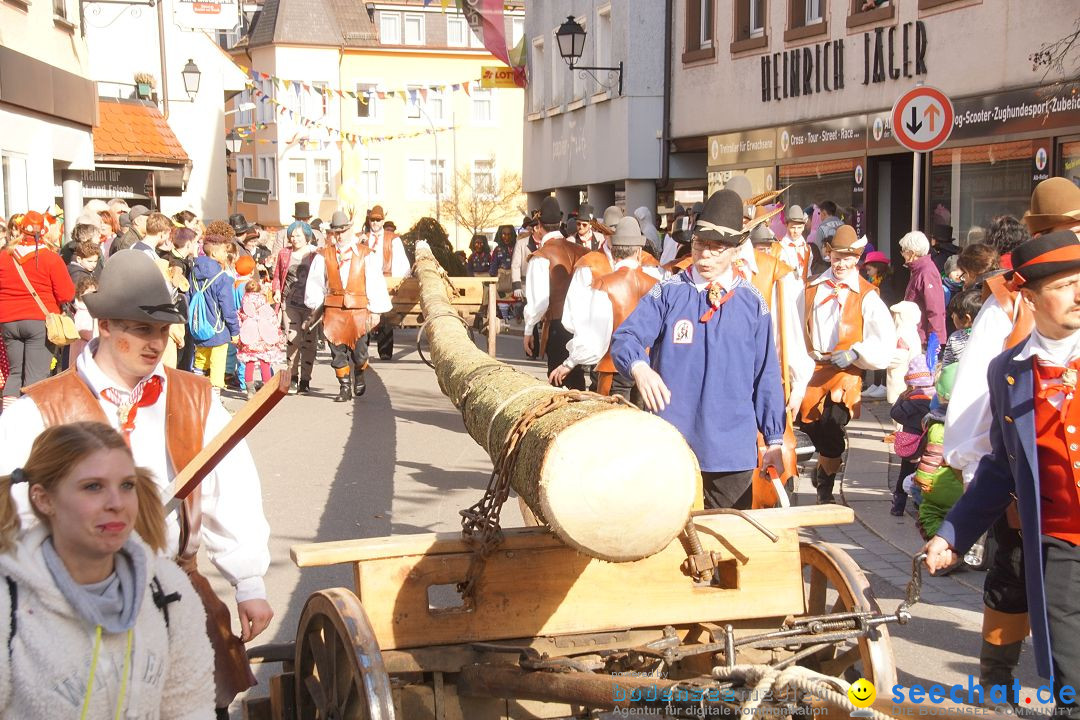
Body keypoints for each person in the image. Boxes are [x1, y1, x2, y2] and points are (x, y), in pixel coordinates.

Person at [0, 250, 272, 717]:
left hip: (178, 598)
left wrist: (248, 580)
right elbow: (13, 520)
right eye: (141, 330)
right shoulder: (38, 411)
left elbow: (233, 488)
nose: (155, 345)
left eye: (163, 332)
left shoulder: (192, 398)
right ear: (104, 325)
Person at [925, 231, 1080, 717]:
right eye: (1064, 285)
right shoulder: (1009, 369)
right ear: (1030, 298)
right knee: (1070, 677)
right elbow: (1000, 464)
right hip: (1059, 542)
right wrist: (952, 532)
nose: (1079, 294)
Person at [0, 421, 214, 718]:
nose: (116, 503)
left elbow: (191, 706)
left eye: (126, 485)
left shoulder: (168, 589)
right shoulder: (8, 600)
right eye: (93, 487)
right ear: (44, 498)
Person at [611, 189, 786, 509]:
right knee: (668, 545)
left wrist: (774, 440)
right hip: (672, 445)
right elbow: (626, 338)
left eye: (716, 248)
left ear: (735, 251)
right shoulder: (668, 292)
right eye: (699, 245)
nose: (705, 255)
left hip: (731, 453)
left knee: (729, 545)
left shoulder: (753, 304)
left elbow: (767, 378)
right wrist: (640, 368)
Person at [798, 225, 896, 504]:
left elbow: (885, 341)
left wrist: (855, 353)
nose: (840, 263)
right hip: (812, 368)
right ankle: (822, 467)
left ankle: (825, 488)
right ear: (829, 255)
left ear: (857, 259)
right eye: (836, 257)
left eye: (846, 258)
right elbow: (793, 328)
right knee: (805, 424)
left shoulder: (868, 296)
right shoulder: (811, 289)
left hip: (845, 372)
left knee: (832, 425)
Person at [554, 217, 662, 399]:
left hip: (613, 371)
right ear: (639, 252)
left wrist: (569, 362)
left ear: (613, 250)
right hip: (647, 372)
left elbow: (594, 340)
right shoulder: (658, 284)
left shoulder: (602, 285)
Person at [305, 211, 393, 401]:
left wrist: (376, 310)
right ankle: (344, 387)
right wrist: (316, 306)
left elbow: (375, 282)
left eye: (343, 231)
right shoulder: (324, 255)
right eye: (336, 232)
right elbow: (315, 282)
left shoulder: (365, 254)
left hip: (359, 310)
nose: (339, 236)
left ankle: (359, 373)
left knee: (360, 353)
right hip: (334, 310)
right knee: (337, 352)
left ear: (350, 230)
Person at [0, 212, 76, 407]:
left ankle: (9, 418)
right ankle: (30, 423)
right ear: (43, 231)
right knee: (36, 375)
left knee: (15, 373)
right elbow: (67, 294)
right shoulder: (51, 258)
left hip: (7, 321)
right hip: (40, 321)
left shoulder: (4, 256)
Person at [523, 196, 589, 389]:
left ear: (539, 226)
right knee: (577, 378)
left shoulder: (541, 256)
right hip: (581, 323)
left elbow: (539, 301)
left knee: (558, 379)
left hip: (558, 324)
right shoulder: (581, 251)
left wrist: (529, 330)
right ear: (560, 223)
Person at [273, 218, 320, 394]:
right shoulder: (284, 254)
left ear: (307, 236)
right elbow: (277, 275)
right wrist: (277, 291)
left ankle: (305, 380)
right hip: (290, 303)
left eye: (298, 236)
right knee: (293, 339)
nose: (294, 239)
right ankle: (292, 376)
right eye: (292, 236)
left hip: (311, 306)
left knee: (309, 342)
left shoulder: (316, 254)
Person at [189, 235, 240, 393]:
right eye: (224, 251)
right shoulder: (222, 278)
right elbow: (228, 308)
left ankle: (198, 394)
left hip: (198, 327)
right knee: (217, 366)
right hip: (219, 330)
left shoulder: (193, 274)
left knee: (200, 362)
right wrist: (235, 331)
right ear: (214, 254)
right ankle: (215, 400)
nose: (226, 255)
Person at [361, 205, 408, 361]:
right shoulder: (362, 238)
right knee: (365, 315)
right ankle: (362, 351)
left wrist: (397, 282)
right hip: (366, 280)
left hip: (386, 279)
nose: (375, 223)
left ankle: (385, 351)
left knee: (386, 317)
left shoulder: (392, 239)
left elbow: (401, 262)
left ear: (383, 220)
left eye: (378, 220)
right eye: (372, 219)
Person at [236, 279, 285, 399]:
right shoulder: (264, 304)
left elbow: (239, 322)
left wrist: (238, 339)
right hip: (264, 337)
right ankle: (267, 389)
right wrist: (279, 337)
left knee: (250, 363)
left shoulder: (244, 306)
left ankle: (250, 390)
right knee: (265, 362)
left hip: (249, 337)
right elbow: (273, 321)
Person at [900, 231, 947, 350]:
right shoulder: (920, 270)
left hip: (922, 341)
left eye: (903, 251)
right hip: (916, 337)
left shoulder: (926, 272)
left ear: (911, 253)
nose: (902, 255)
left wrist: (934, 342)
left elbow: (935, 309)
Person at [778, 204, 811, 281]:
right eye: (793, 227)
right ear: (786, 225)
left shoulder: (807, 248)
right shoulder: (779, 247)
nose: (796, 231)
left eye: (799, 227)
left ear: (803, 227)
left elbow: (808, 270)